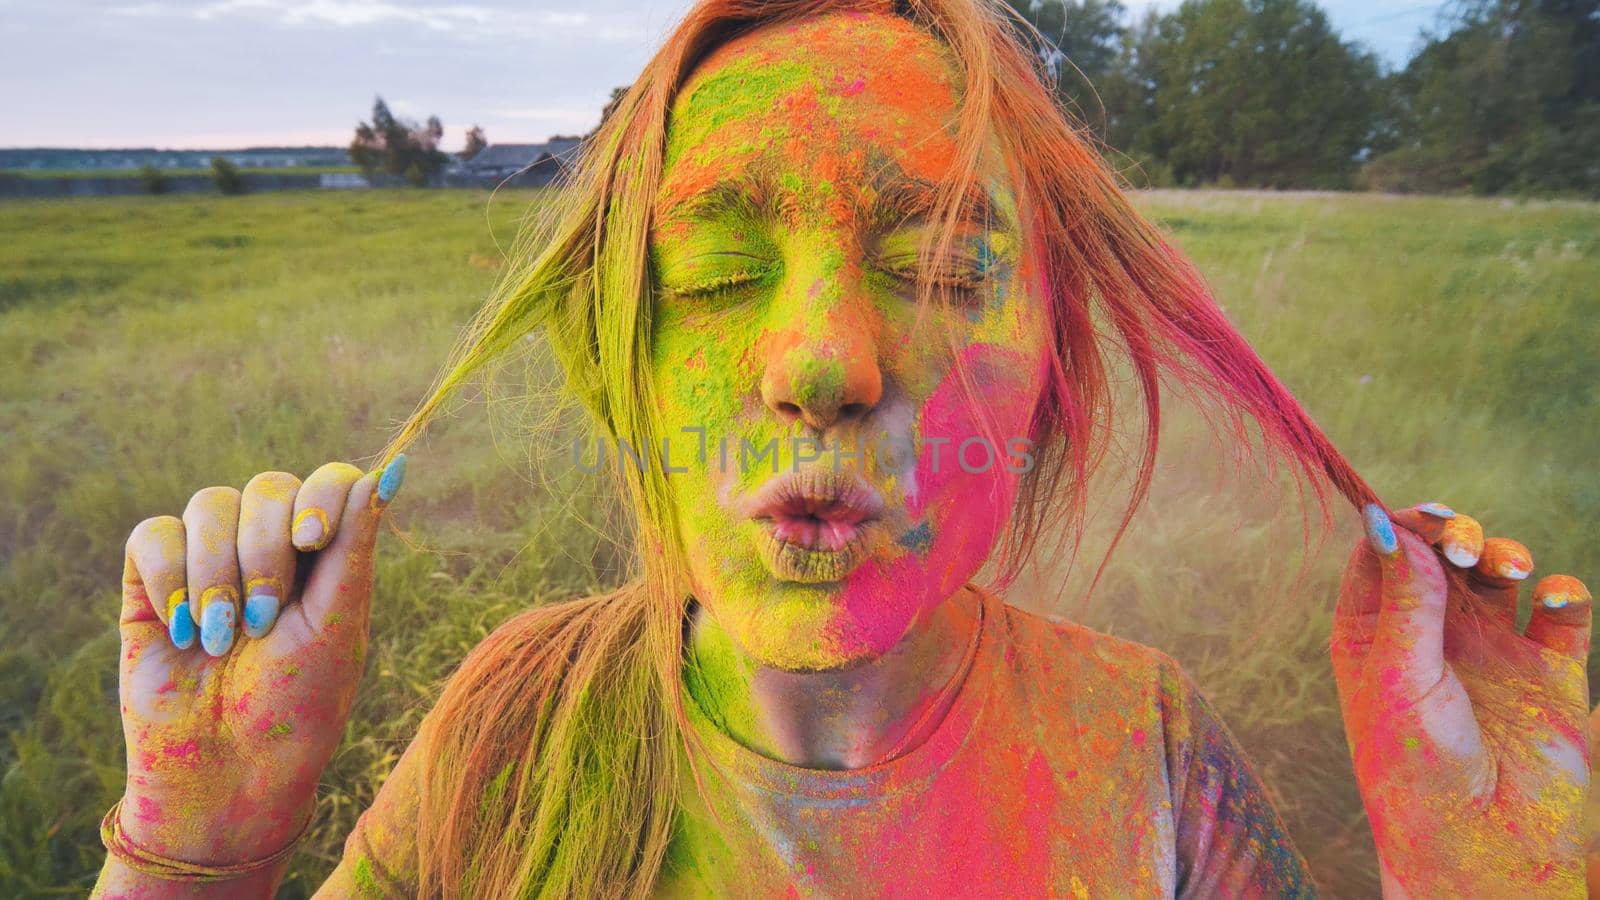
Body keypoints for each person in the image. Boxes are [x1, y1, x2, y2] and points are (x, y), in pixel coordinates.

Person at [93, 1, 1592, 896]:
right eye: (724, 272)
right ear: (621, 362)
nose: (822, 362)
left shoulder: (1145, 746)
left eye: (945, 271)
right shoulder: (511, 722)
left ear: (1048, 378)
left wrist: (1496, 877)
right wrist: (194, 850)